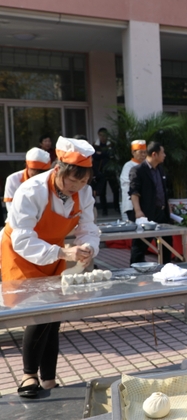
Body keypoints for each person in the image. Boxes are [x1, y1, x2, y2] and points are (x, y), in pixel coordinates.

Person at [1, 136, 99, 398]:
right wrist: (63, 252)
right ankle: (28, 375)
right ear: (57, 170)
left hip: (54, 252)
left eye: (83, 182)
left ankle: (48, 379)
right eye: (72, 181)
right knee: (39, 312)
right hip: (21, 252)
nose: (76, 188)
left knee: (54, 316)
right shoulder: (31, 191)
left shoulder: (83, 193)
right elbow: (22, 239)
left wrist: (88, 247)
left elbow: (88, 228)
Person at [129, 141, 172, 264]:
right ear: (154, 154)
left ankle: (166, 268)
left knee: (166, 244)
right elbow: (134, 192)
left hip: (162, 213)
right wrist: (138, 211)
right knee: (140, 245)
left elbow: (162, 191)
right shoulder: (138, 170)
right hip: (146, 214)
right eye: (162, 153)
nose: (164, 155)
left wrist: (168, 207)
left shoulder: (160, 170)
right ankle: (135, 269)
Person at [4, 148, 52, 216]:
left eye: (43, 171)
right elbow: (11, 207)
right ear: (27, 166)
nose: (39, 174)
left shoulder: (51, 179)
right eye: (36, 170)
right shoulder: (13, 179)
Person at [93, 127, 120, 216]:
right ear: (98, 135)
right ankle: (104, 210)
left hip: (111, 170)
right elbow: (95, 156)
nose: (103, 137)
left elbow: (111, 154)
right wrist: (104, 154)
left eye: (104, 135)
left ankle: (116, 207)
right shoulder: (95, 145)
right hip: (101, 171)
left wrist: (101, 154)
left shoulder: (111, 144)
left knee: (115, 189)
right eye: (101, 135)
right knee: (102, 192)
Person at [120, 140, 147, 221]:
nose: (143, 155)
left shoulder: (146, 165)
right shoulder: (128, 166)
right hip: (132, 205)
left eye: (145, 152)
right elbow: (130, 185)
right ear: (133, 152)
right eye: (141, 152)